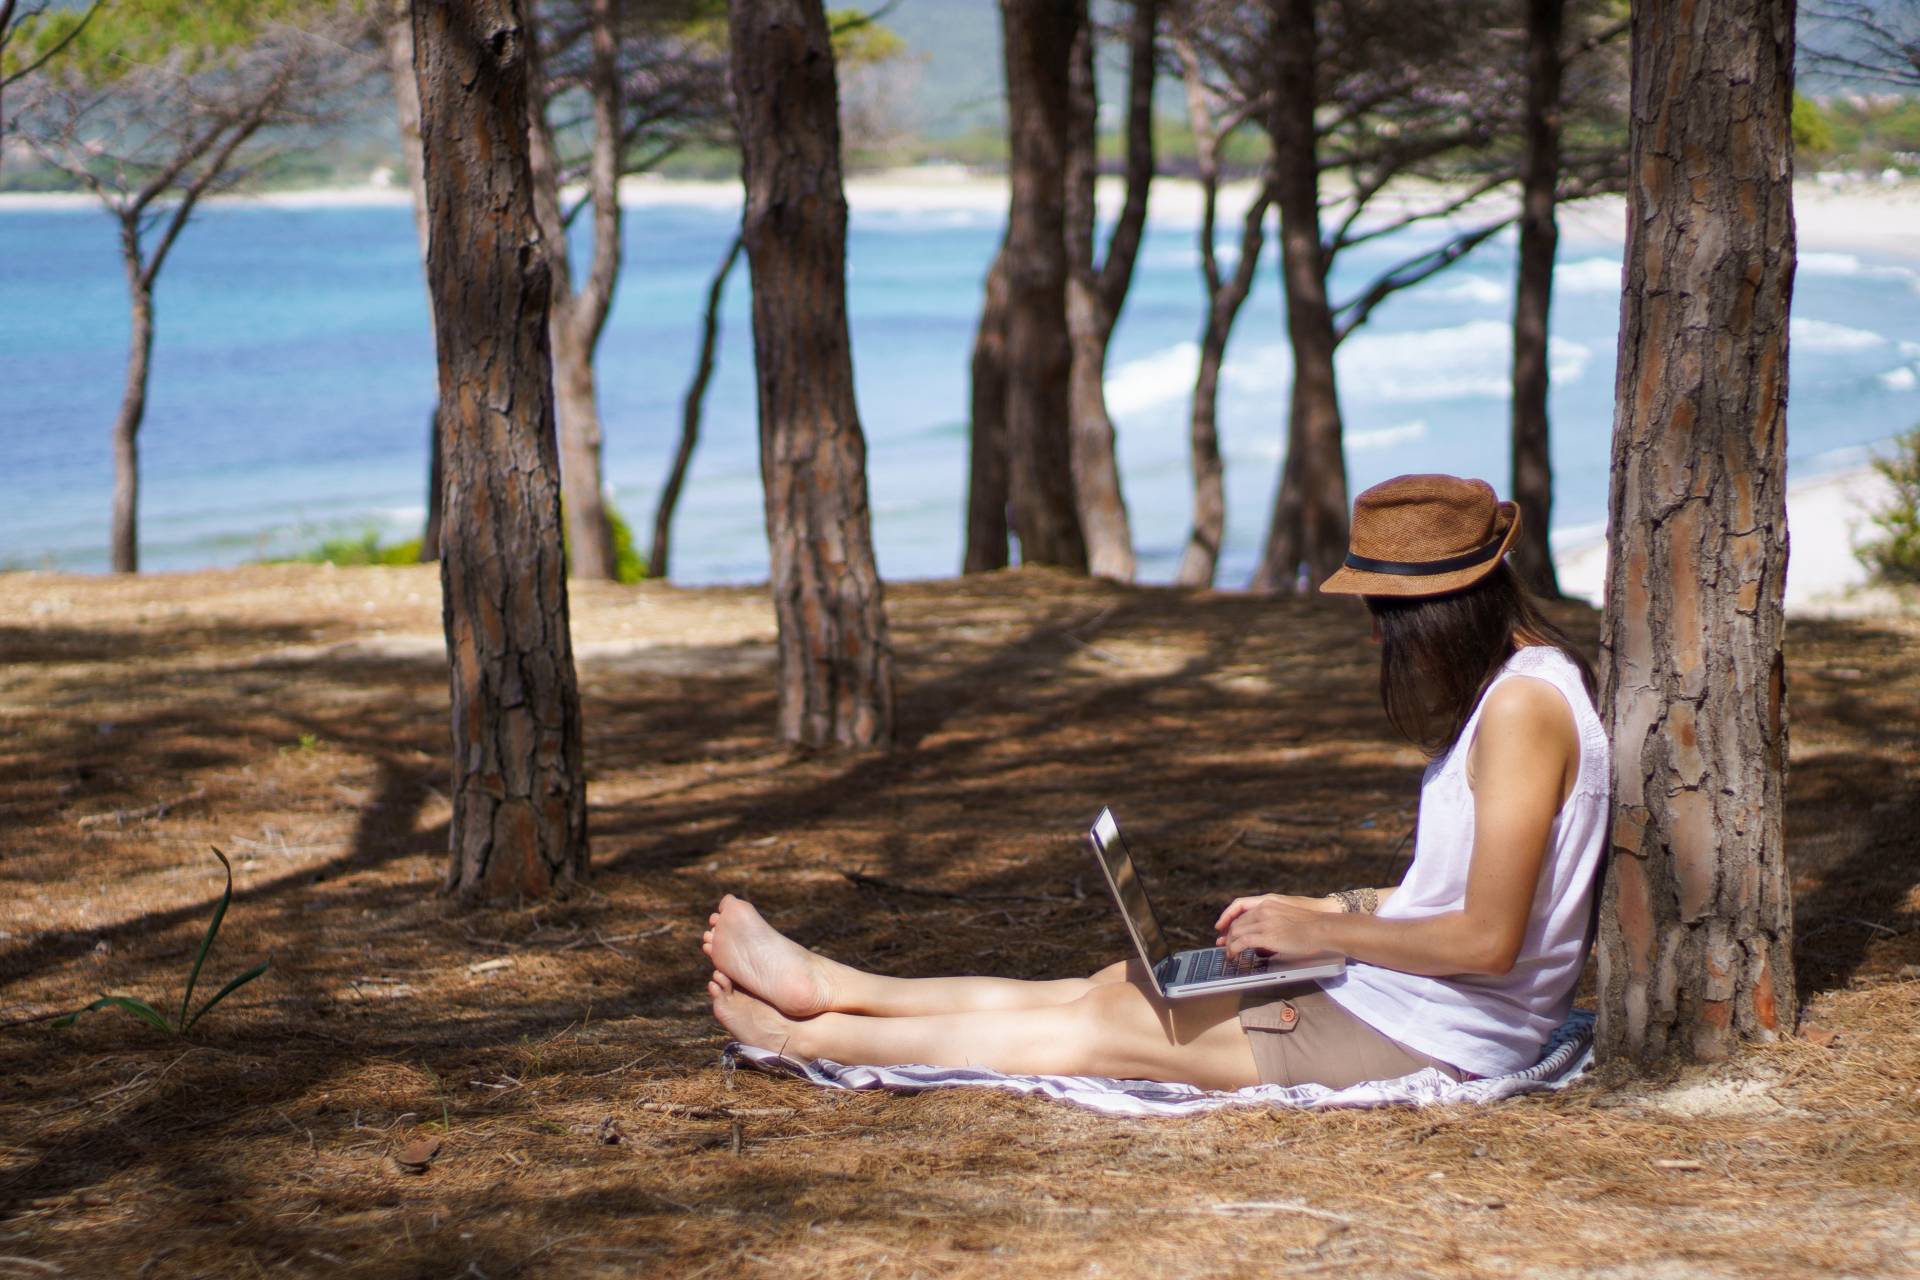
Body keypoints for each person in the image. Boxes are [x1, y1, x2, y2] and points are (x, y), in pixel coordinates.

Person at [704, 474, 1610, 1090]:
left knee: (1107, 1029)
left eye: (1386, 615)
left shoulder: (1524, 710)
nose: (1378, 637)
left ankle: (808, 1038)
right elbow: (1467, 895)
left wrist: (1323, 930)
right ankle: (829, 983)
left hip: (1442, 1035)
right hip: (1410, 999)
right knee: (1118, 983)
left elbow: (1491, 940)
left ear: (1440, 610)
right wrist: (1324, 911)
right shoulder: (1516, 692)